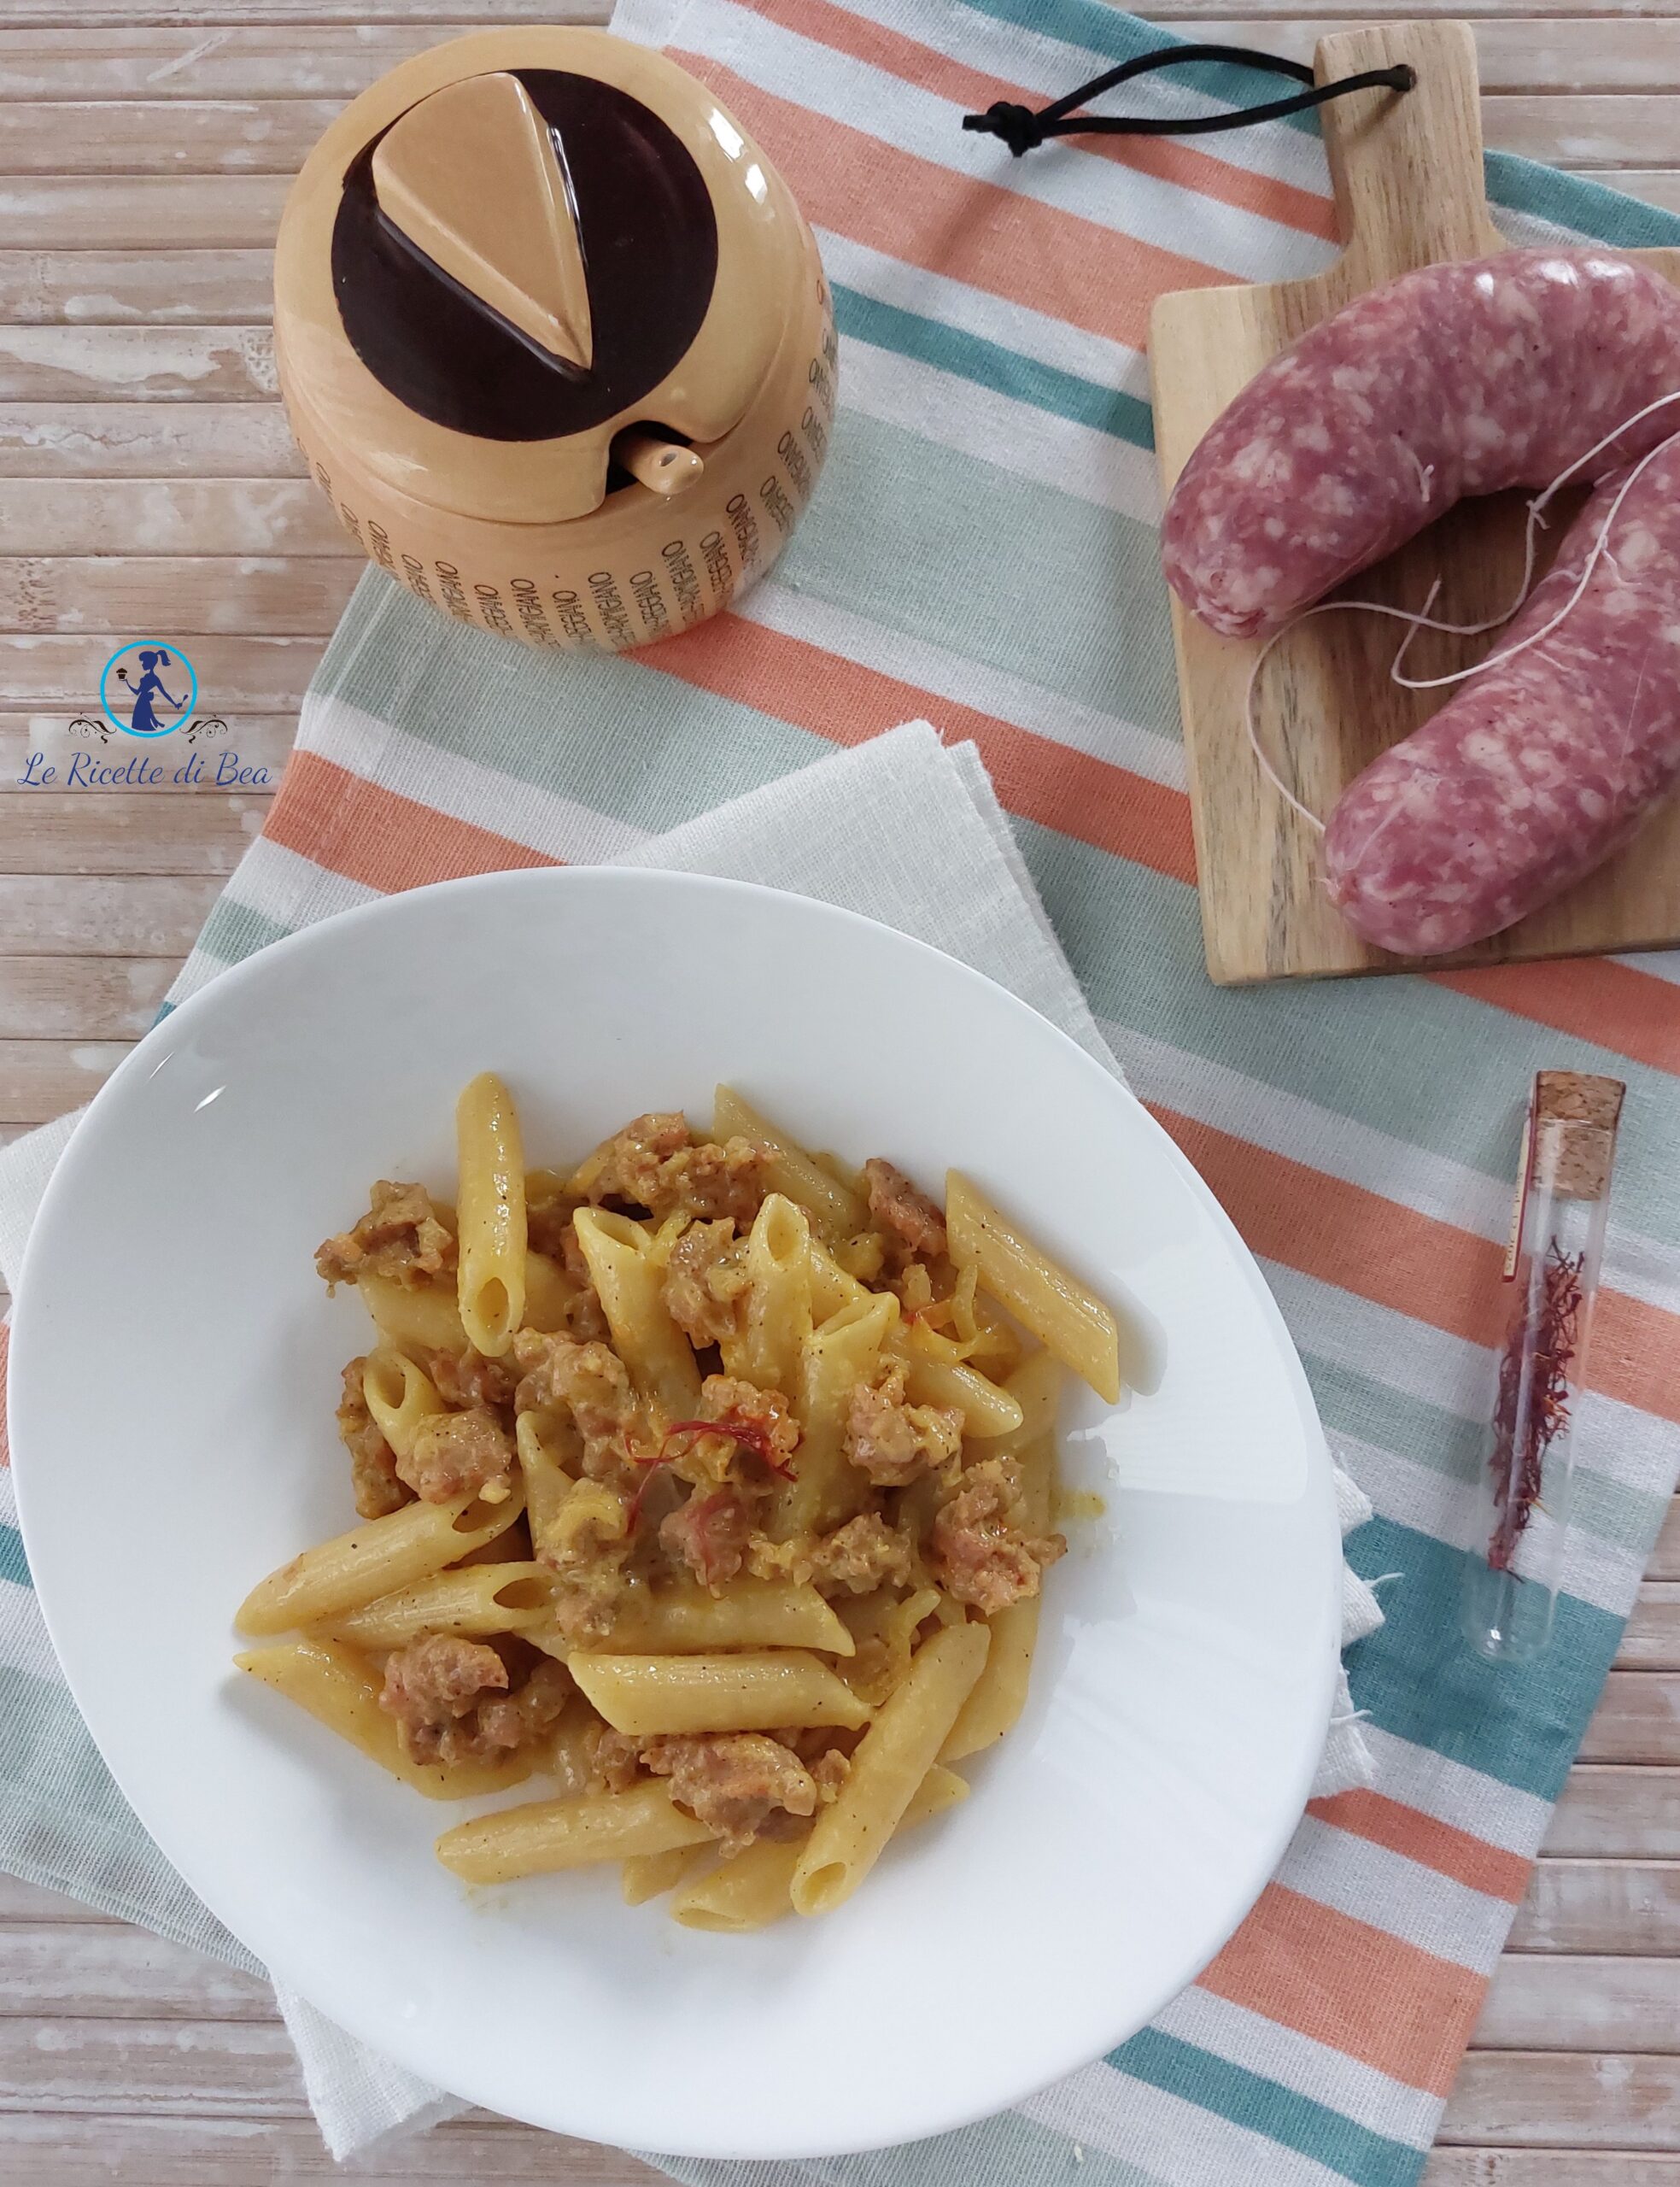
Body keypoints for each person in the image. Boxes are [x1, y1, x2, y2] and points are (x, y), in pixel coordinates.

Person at [116, 649, 184, 736]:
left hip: (143, 702)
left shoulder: (155, 678)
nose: (142, 664)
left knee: (143, 724)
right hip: (141, 701)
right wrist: (127, 683)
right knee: (140, 724)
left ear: (150, 663)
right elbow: (137, 692)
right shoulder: (146, 676)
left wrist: (174, 704)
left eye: (144, 662)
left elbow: (164, 693)